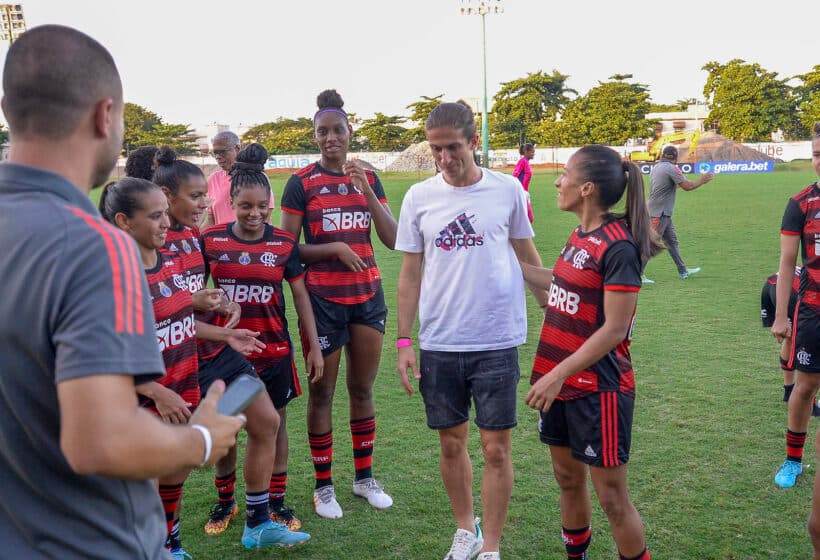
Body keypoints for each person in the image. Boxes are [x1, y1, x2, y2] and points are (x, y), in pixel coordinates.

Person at [0, 24, 243, 559]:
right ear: (104, 116)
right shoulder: (97, 244)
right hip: (89, 542)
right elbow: (101, 440)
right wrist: (201, 439)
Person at [396, 101, 548, 560]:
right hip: (440, 341)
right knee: (451, 443)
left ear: (474, 141)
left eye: (453, 147)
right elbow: (409, 275)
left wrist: (556, 315)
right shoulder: (418, 198)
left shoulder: (507, 192)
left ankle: (492, 549)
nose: (445, 158)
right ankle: (467, 530)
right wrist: (404, 341)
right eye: (437, 149)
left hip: (497, 338)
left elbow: (528, 258)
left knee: (496, 449)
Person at [153, 147, 311, 548]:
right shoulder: (151, 240)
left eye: (206, 195)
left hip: (218, 353)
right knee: (182, 456)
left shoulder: (192, 236)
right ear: (167, 197)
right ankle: (169, 543)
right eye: (196, 196)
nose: (206, 203)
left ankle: (258, 523)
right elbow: (155, 306)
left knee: (266, 421)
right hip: (181, 361)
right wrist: (197, 304)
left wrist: (220, 306)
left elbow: (194, 296)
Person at [524, 145, 662, 560]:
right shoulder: (581, 234)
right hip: (562, 385)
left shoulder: (619, 247)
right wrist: (507, 264)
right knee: (568, 480)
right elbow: (564, 282)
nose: (557, 182)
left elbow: (615, 328)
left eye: (564, 175)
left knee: (613, 500)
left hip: (598, 389)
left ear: (586, 188)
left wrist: (556, 374)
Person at [281, 89, 397, 519]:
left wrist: (365, 188)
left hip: (367, 296)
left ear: (350, 133)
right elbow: (286, 249)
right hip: (324, 300)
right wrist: (330, 247)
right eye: (322, 132)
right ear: (315, 137)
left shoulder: (368, 177)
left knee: (362, 389)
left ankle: (364, 478)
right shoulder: (301, 183)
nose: (330, 137)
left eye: (337, 130)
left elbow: (392, 237)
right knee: (322, 392)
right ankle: (323, 486)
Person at [201, 143, 325, 531]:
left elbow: (301, 296)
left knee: (275, 427)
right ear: (231, 203)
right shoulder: (213, 241)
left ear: (270, 205)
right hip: (227, 356)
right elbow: (194, 291)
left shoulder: (284, 244)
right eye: (245, 207)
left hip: (274, 351)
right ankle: (226, 502)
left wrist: (314, 345)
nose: (254, 214)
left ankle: (276, 502)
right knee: (228, 427)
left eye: (262, 207)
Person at [771, 122, 820, 489]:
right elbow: (787, 263)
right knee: (805, 388)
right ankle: (793, 460)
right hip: (813, 311)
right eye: (817, 154)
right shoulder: (800, 203)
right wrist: (781, 315)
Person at [645, 144, 713, 282]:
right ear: (676, 157)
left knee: (671, 242)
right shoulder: (671, 168)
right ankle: (637, 274)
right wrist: (702, 180)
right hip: (660, 212)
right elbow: (688, 187)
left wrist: (683, 180)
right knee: (651, 243)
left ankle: (683, 271)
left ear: (663, 155)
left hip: (660, 211)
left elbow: (672, 185)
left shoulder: (657, 167)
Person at [761, 266, 820, 413]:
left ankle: (789, 391)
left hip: (772, 283)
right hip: (791, 290)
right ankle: (810, 403)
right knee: (807, 343)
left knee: (790, 338)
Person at [202, 131, 241, 227]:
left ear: (237, 149)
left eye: (222, 152)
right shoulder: (213, 179)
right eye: (215, 153)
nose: (218, 157)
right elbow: (211, 220)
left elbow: (264, 219)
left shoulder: (255, 178)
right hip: (221, 241)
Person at [513, 142, 535, 223]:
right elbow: (515, 174)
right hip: (520, 192)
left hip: (524, 192)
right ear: (526, 152)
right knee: (529, 218)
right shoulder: (522, 161)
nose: (533, 154)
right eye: (532, 152)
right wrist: (517, 189)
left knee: (528, 218)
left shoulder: (526, 161)